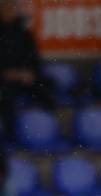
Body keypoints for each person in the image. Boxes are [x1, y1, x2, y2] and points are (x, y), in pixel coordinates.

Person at [0, 0, 53, 137]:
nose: (9, 11)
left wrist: (29, 73)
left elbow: (33, 58)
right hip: (4, 80)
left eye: (12, 8)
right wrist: (6, 73)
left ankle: (45, 129)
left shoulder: (23, 33)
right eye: (6, 8)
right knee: (5, 96)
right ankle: (11, 134)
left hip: (23, 78)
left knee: (47, 85)